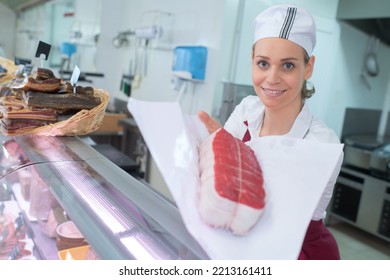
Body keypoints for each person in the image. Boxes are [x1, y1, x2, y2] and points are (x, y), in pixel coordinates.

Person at [198, 4, 343, 260]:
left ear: (308, 68)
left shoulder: (322, 143)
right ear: (252, 61)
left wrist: (227, 159)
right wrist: (217, 150)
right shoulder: (247, 110)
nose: (272, 78)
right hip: (242, 242)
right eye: (263, 63)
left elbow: (277, 216)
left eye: (288, 66)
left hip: (298, 254)